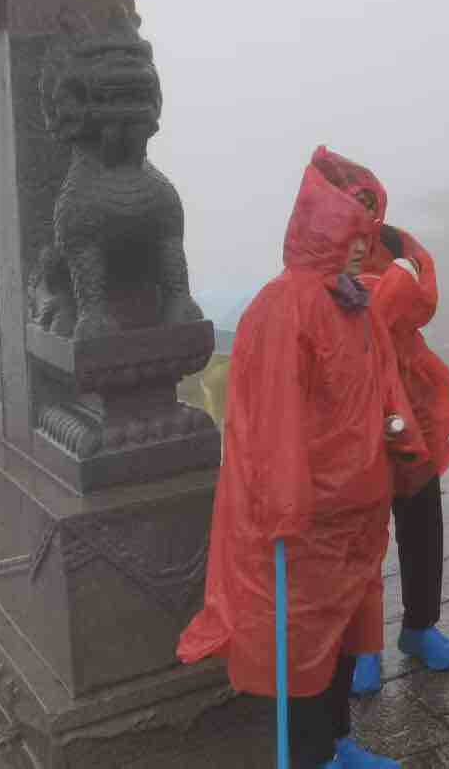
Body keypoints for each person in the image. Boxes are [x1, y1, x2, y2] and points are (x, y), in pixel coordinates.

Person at [179, 148, 424, 769]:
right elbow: (272, 420)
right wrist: (288, 504)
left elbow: (385, 382)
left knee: (345, 632)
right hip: (310, 515)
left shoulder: (353, 303)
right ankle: (311, 754)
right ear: (320, 230)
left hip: (357, 507)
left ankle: (339, 742)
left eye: (363, 234)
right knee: (304, 644)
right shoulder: (283, 308)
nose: (359, 246)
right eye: (349, 233)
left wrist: (402, 437)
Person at [350, 220, 449, 696]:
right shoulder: (319, 254)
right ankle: (362, 646)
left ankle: (420, 626)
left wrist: (392, 282)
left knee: (422, 519)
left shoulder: (396, 243)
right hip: (355, 413)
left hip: (410, 407)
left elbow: (419, 299)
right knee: (361, 537)